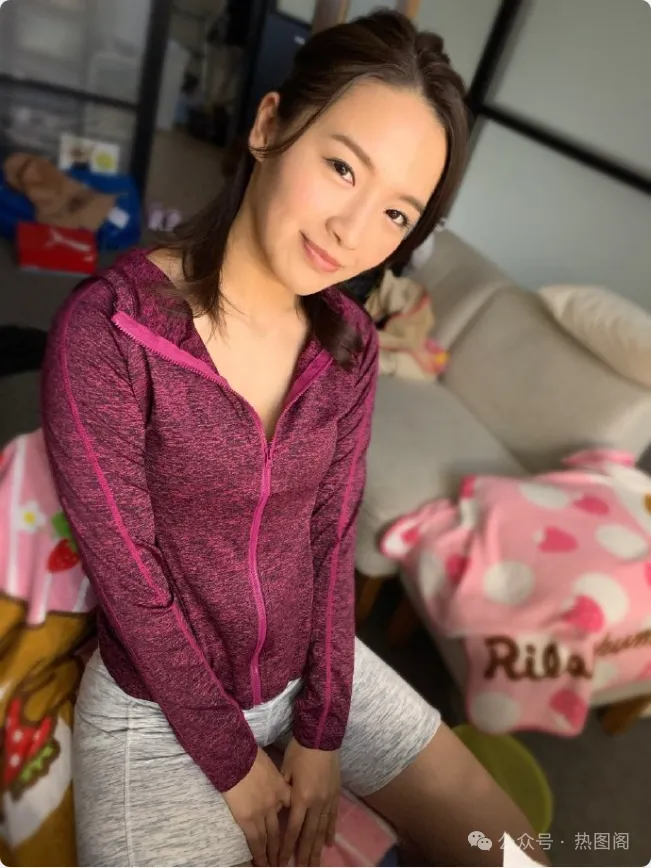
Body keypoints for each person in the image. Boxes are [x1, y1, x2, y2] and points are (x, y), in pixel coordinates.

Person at [42, 11, 546, 868]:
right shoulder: (111, 333)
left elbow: (329, 540)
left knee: (513, 851)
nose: (352, 231)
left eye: (395, 213)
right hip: (157, 710)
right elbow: (134, 586)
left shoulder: (348, 345)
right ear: (270, 124)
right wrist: (237, 765)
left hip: (310, 669)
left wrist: (319, 732)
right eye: (341, 166)